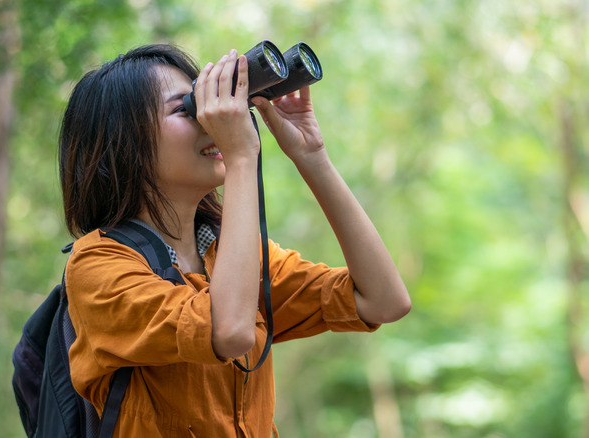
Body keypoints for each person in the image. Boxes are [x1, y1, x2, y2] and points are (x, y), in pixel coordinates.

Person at [58, 43, 411, 437]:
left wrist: (313, 157)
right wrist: (242, 155)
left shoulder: (230, 253)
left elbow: (384, 301)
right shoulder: (98, 266)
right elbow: (230, 331)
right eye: (187, 108)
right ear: (124, 143)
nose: (212, 121)